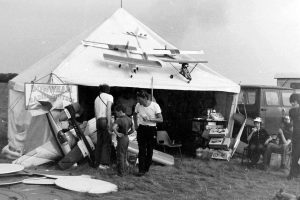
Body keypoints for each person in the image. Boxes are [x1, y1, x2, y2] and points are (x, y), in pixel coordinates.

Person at [133, 90, 163, 176]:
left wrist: (150, 119)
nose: (138, 101)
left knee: (150, 150)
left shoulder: (155, 106)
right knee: (141, 150)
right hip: (141, 129)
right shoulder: (138, 105)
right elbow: (135, 114)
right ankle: (141, 170)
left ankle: (146, 168)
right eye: (137, 99)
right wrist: (135, 125)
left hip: (151, 129)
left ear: (145, 98)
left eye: (140, 99)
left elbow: (161, 119)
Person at [94, 84, 113, 169]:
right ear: (108, 90)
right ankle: (104, 164)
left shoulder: (96, 98)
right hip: (105, 120)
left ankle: (97, 162)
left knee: (99, 142)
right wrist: (109, 122)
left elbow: (95, 113)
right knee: (106, 142)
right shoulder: (109, 96)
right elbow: (108, 109)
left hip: (98, 121)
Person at [112, 104, 135, 176]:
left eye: (117, 112)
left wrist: (117, 133)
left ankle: (120, 173)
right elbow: (133, 130)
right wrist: (127, 133)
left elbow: (113, 128)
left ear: (121, 111)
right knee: (124, 154)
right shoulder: (129, 119)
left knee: (120, 155)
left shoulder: (119, 120)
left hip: (121, 138)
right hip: (126, 138)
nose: (116, 114)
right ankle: (124, 170)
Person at [287, 93, 300, 180]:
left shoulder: (292, 111)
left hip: (297, 135)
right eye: (291, 102)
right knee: (295, 155)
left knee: (296, 155)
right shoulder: (292, 111)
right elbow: (291, 124)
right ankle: (293, 174)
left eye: (293, 102)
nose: (292, 103)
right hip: (296, 136)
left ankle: (294, 173)